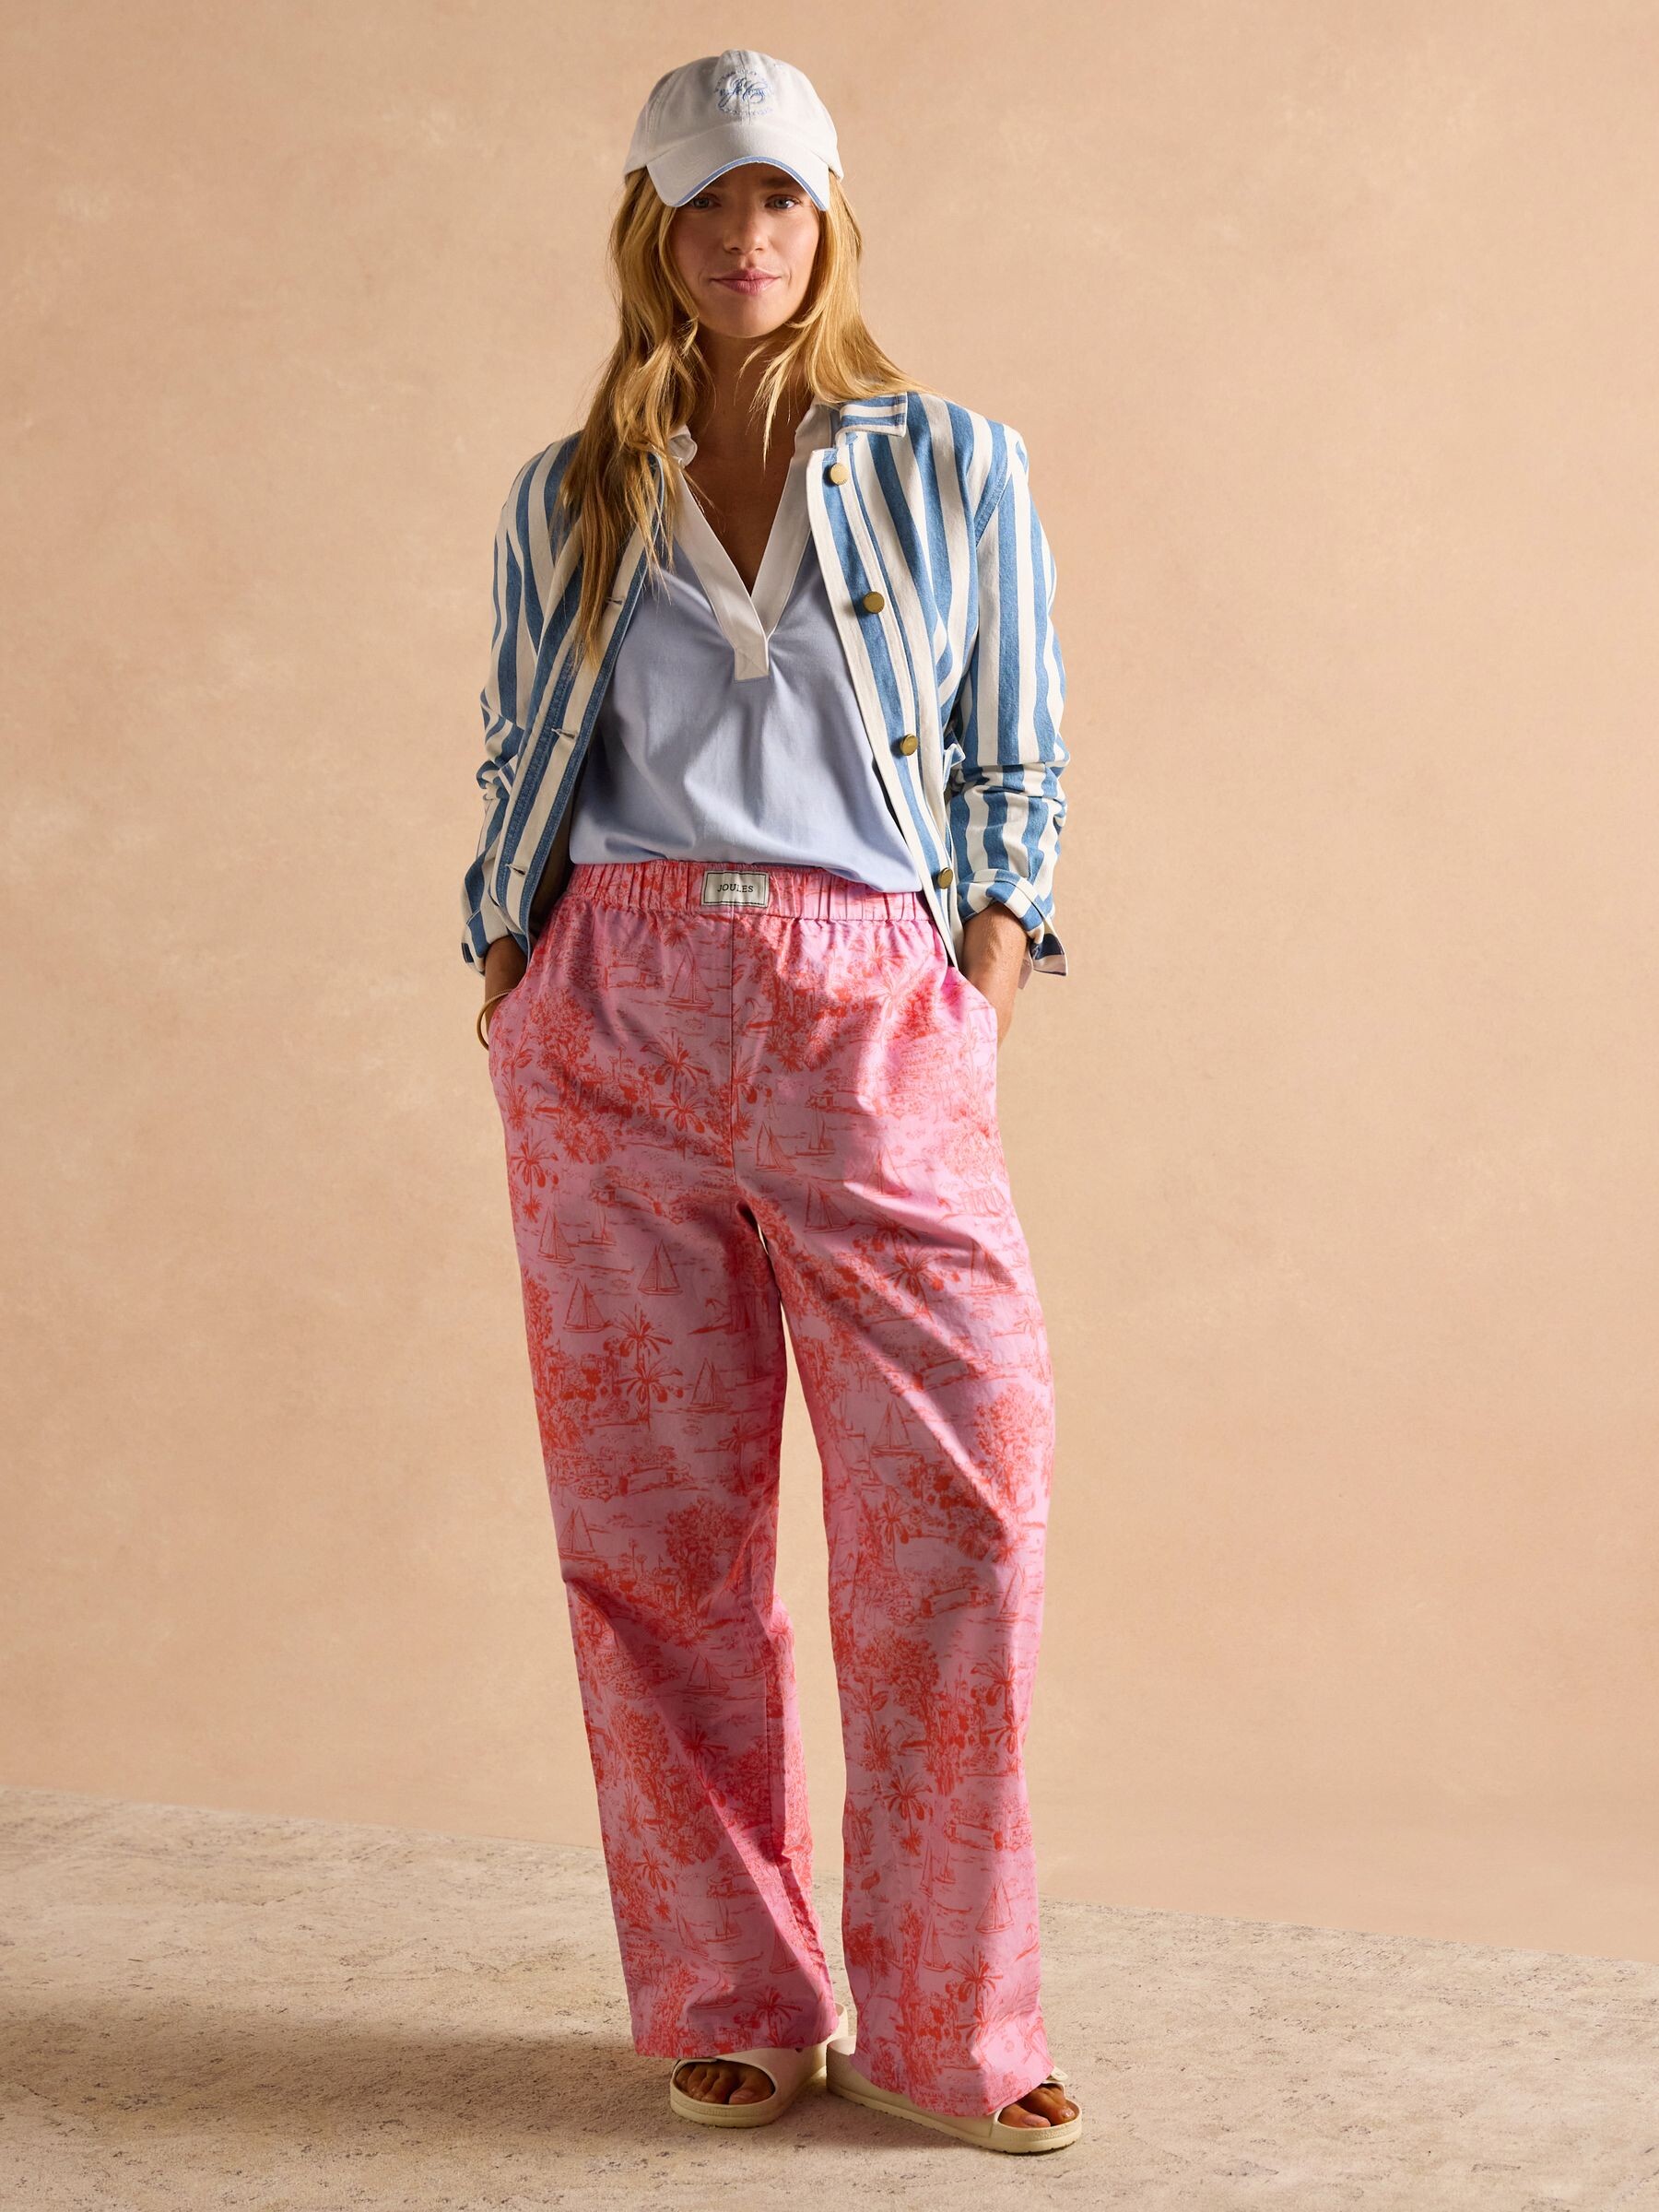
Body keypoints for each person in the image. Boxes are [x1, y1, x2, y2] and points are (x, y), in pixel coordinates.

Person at [462, 49, 1078, 2156]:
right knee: (654, 1548)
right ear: (653, 230)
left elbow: (1013, 761)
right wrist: (509, 968)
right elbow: (516, 753)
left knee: (960, 1512)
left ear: (830, 218)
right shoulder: (568, 492)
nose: (748, 238)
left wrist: (974, 994)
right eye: (709, 203)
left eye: (782, 199)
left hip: (865, 1012)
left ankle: (951, 2025)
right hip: (610, 1009)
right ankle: (730, 1995)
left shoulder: (956, 464)